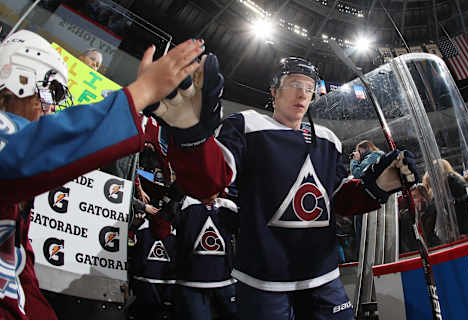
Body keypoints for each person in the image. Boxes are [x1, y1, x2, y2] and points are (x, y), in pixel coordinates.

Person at [151, 56, 418, 319]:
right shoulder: (247, 126)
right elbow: (210, 181)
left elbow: (338, 200)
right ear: (274, 91)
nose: (302, 94)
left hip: (323, 276)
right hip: (263, 281)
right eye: (294, 85)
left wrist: (378, 186)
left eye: (309, 88)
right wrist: (192, 138)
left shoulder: (328, 140)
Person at [0, 29, 205, 320]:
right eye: (51, 92)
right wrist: (141, 93)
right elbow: (25, 150)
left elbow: (20, 273)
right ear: (16, 80)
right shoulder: (14, 149)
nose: (52, 108)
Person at [423, 159, 468, 238]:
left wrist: (465, 232)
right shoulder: (450, 182)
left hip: (465, 231)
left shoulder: (452, 182)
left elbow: (464, 209)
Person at [349, 140, 384, 255]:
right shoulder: (375, 157)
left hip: (370, 200)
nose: (357, 153)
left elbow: (358, 173)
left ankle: (363, 253)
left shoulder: (374, 156)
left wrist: (355, 161)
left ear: (365, 148)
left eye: (359, 150)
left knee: (362, 228)